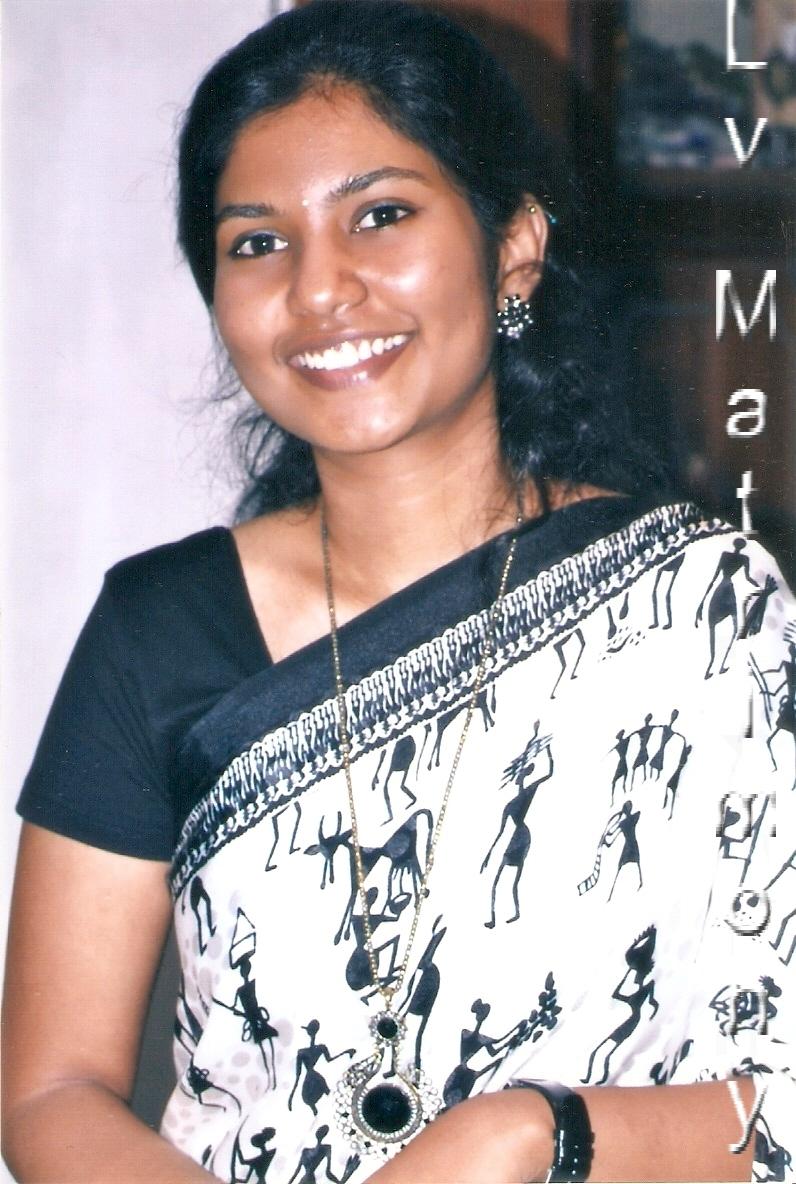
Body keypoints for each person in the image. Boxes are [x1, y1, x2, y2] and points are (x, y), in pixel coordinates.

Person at [2, 3, 794, 1182]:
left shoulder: (704, 605)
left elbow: (777, 1106)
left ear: (513, 244)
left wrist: (529, 1133)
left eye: (380, 215)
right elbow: (50, 1089)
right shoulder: (157, 627)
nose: (321, 288)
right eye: (257, 242)